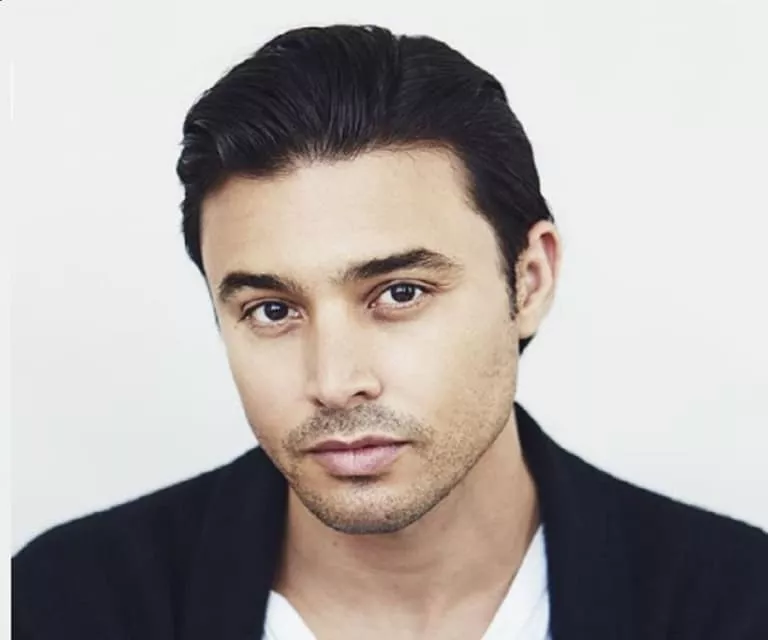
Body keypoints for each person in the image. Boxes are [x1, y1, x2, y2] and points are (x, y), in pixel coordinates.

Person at [12, 24, 768, 640]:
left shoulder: (736, 603)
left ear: (530, 280)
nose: (335, 381)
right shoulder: (65, 605)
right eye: (273, 310)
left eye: (400, 294)